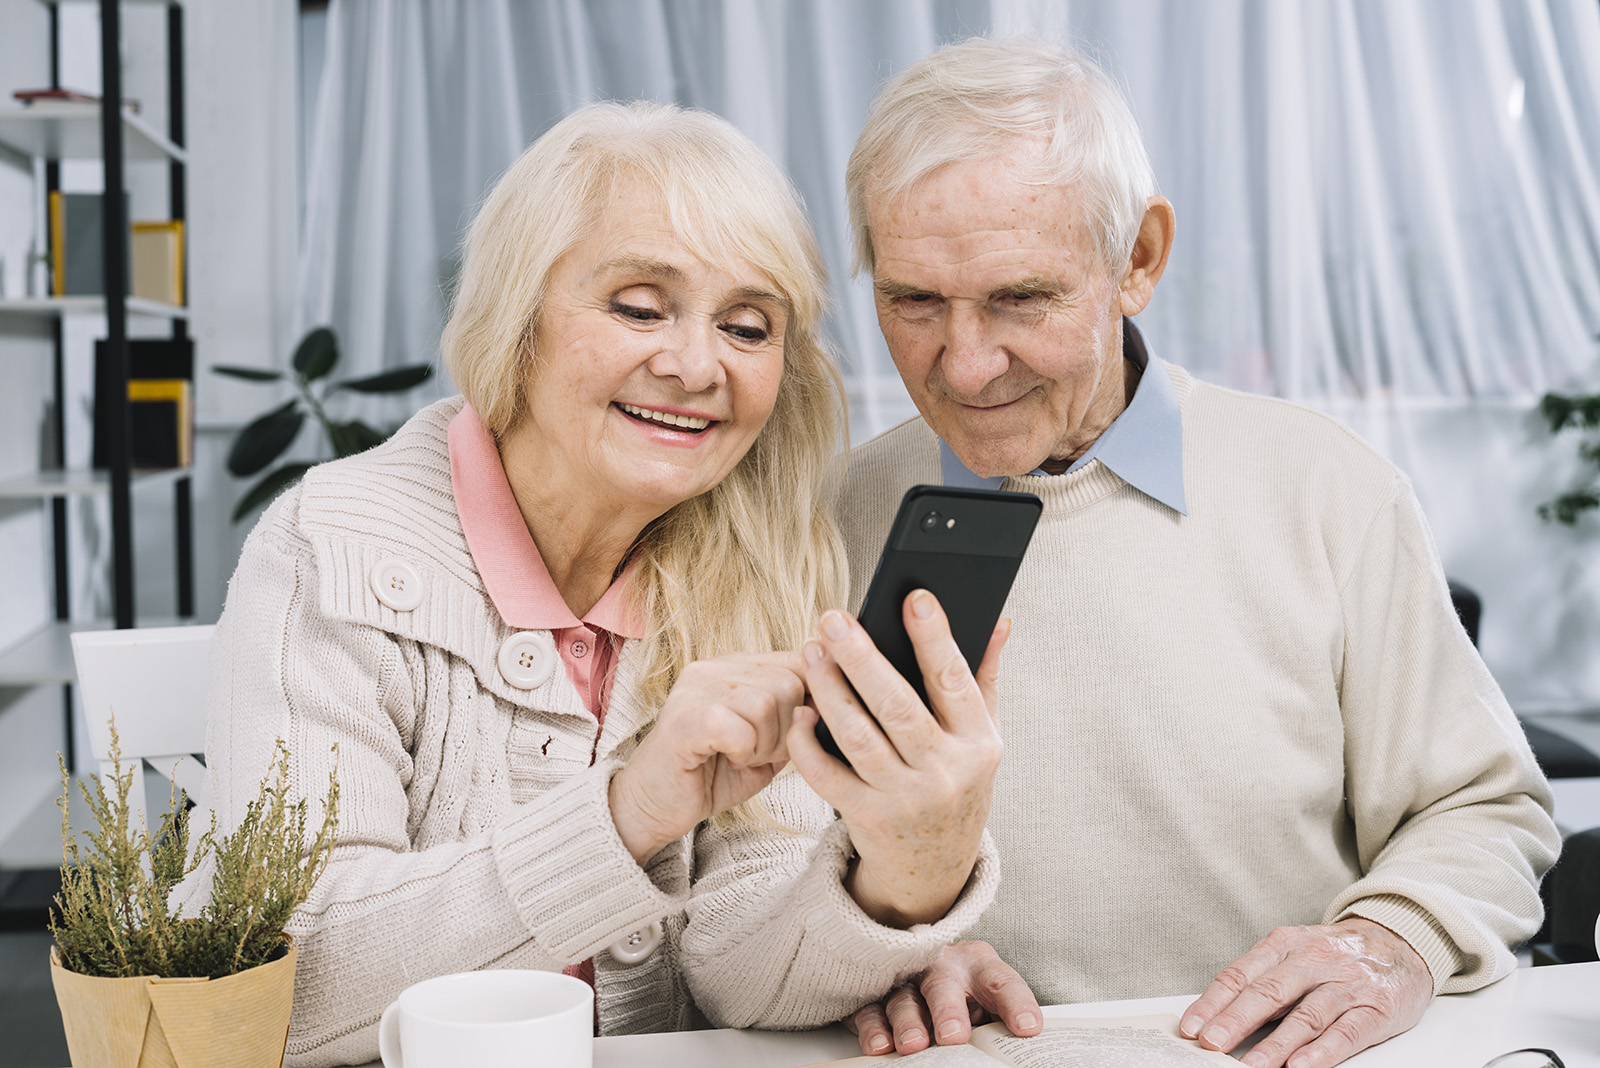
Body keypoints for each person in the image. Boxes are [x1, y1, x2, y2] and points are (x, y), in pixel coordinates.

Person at [177, 100, 1006, 1067]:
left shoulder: (754, 559)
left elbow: (739, 970)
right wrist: (630, 812)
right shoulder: (332, 548)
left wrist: (905, 879)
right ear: (519, 320)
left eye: (747, 327)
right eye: (639, 308)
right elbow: (289, 990)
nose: (696, 365)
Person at [831, 37, 1561, 1068]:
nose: (963, 362)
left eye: (1019, 298)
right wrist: (865, 950)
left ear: (1137, 258)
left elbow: (1482, 805)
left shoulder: (1326, 486)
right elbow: (757, 871)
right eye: (911, 301)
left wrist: (1389, 939)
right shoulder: (830, 513)